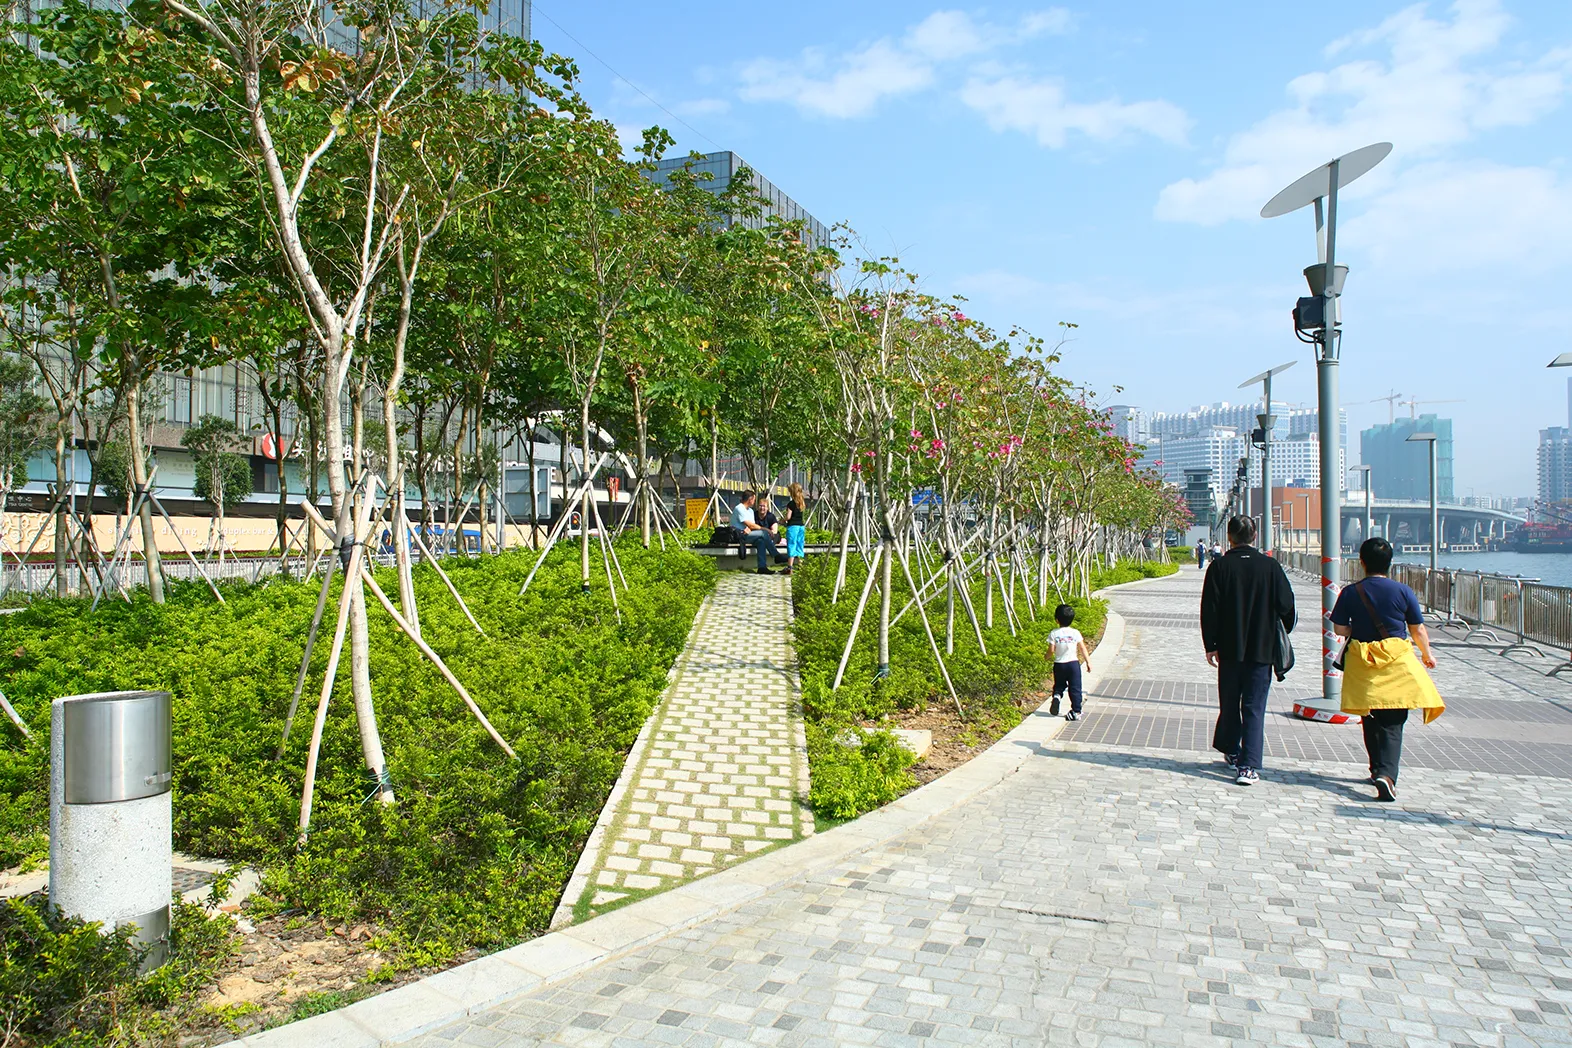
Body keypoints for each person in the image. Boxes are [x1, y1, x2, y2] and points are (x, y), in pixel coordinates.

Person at [1332, 537, 1444, 802]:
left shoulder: (1351, 592)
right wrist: (1427, 654)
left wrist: (1356, 629)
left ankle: (1376, 769)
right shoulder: (1403, 591)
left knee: (1370, 718)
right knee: (1393, 722)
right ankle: (1387, 775)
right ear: (1390, 563)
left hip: (1364, 663)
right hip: (1396, 663)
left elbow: (1339, 628)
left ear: (1361, 562)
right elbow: (1417, 629)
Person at [1200, 515, 1296, 786]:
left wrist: (1211, 645)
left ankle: (1232, 749)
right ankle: (1249, 765)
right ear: (1254, 536)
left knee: (1230, 703)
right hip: (1262, 648)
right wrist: (1283, 629)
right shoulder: (1270, 566)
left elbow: (1209, 609)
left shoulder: (1219, 567)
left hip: (1229, 648)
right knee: (1254, 706)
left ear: (1229, 537)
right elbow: (1287, 605)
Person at [1046, 603, 1092, 721]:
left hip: (1059, 664)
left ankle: (1057, 696)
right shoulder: (1075, 633)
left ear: (1057, 620)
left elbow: (1051, 650)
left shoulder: (1054, 633)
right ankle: (1076, 711)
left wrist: (1046, 657)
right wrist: (1088, 662)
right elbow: (1082, 648)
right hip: (1073, 664)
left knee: (1059, 684)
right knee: (1075, 687)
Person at [730, 491, 777, 575]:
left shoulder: (751, 511)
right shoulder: (739, 508)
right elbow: (750, 525)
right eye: (754, 499)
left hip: (747, 535)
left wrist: (749, 529)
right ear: (750, 499)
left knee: (761, 542)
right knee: (763, 533)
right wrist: (765, 529)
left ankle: (762, 567)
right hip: (739, 535)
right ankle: (776, 555)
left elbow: (752, 526)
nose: (754, 502)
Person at [784, 482, 808, 576]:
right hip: (801, 527)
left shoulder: (791, 504)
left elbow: (788, 517)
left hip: (793, 527)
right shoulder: (802, 503)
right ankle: (800, 565)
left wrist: (782, 520)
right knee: (799, 545)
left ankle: (790, 567)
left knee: (791, 545)